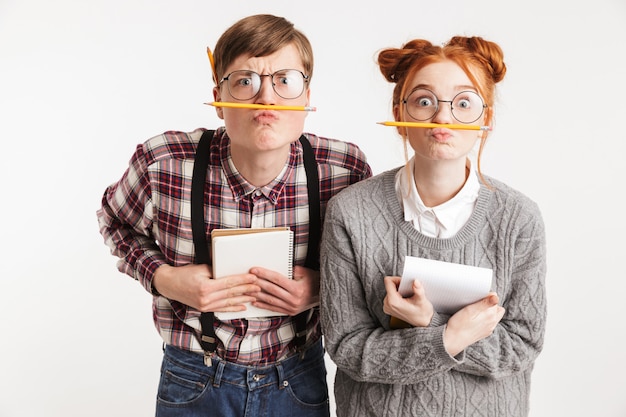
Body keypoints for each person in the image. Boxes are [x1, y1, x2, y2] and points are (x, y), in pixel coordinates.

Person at [97, 14, 371, 417]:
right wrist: (163, 277)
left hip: (298, 377)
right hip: (193, 376)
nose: (266, 99)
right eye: (245, 81)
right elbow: (115, 222)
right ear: (218, 98)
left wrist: (324, 289)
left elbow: (369, 270)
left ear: (307, 95)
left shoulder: (344, 169)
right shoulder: (164, 162)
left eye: (285, 80)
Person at [320, 36, 546, 417]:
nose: (443, 118)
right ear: (399, 115)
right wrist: (451, 336)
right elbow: (347, 347)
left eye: (463, 103)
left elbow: (522, 344)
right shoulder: (351, 211)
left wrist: (431, 323)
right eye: (424, 102)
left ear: (485, 119)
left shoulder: (518, 218)